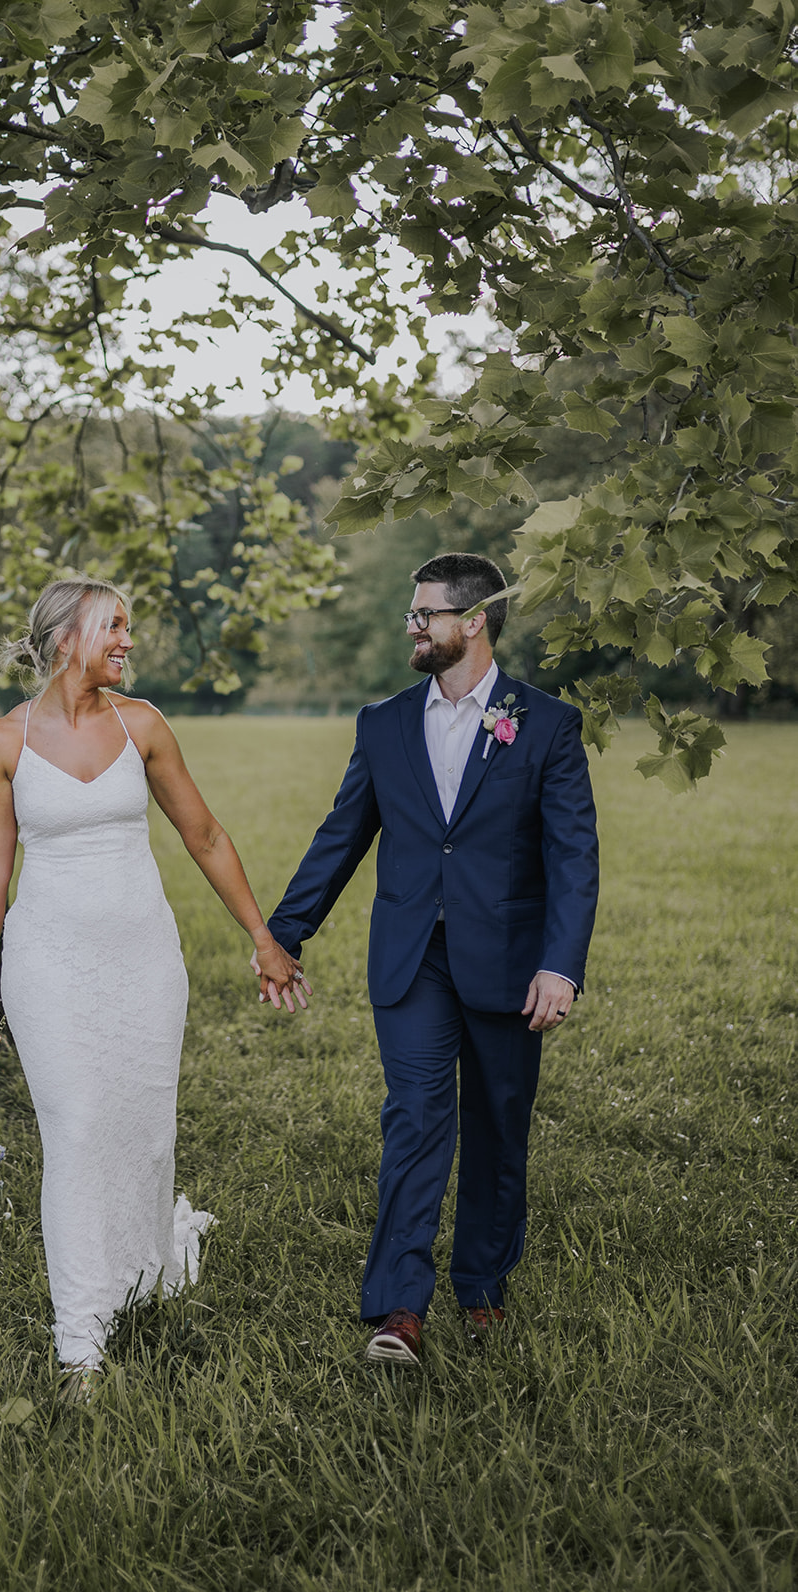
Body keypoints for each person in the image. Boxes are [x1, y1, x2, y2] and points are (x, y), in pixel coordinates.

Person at [0, 574, 310, 1401]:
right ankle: (80, 1339)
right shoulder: (1, 743)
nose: (126, 642)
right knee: (77, 1130)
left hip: (146, 961)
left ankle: (142, 1273)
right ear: (67, 636)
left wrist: (263, 938)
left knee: (142, 1132)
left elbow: (205, 834)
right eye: (113, 627)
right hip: (48, 965)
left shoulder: (143, 725)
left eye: (127, 628)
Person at [260, 552, 598, 1365]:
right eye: (410, 614)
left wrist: (561, 965)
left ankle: (481, 1288)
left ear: (472, 620)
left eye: (425, 614)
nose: (411, 625)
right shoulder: (381, 723)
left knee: (497, 1126)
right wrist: (283, 933)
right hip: (411, 959)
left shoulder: (544, 722)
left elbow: (572, 856)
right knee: (414, 1121)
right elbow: (341, 836)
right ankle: (397, 1309)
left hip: (511, 962)